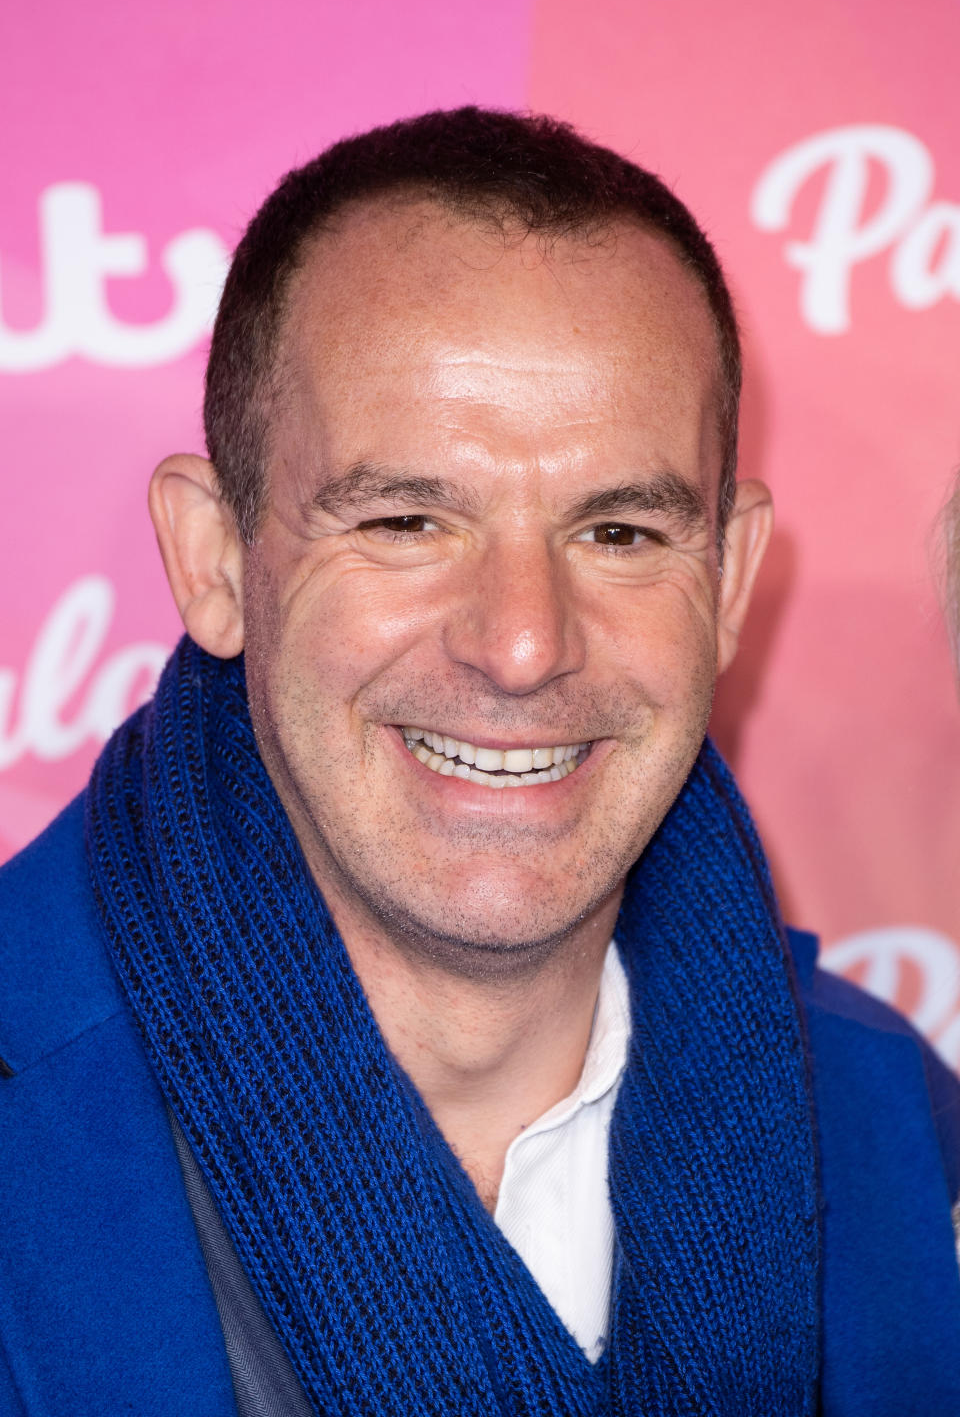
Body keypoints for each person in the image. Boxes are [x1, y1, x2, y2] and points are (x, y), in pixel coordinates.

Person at [1, 108, 958, 1417]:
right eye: (406, 520)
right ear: (215, 559)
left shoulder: (900, 1130)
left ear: (728, 584)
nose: (521, 643)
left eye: (620, 532)